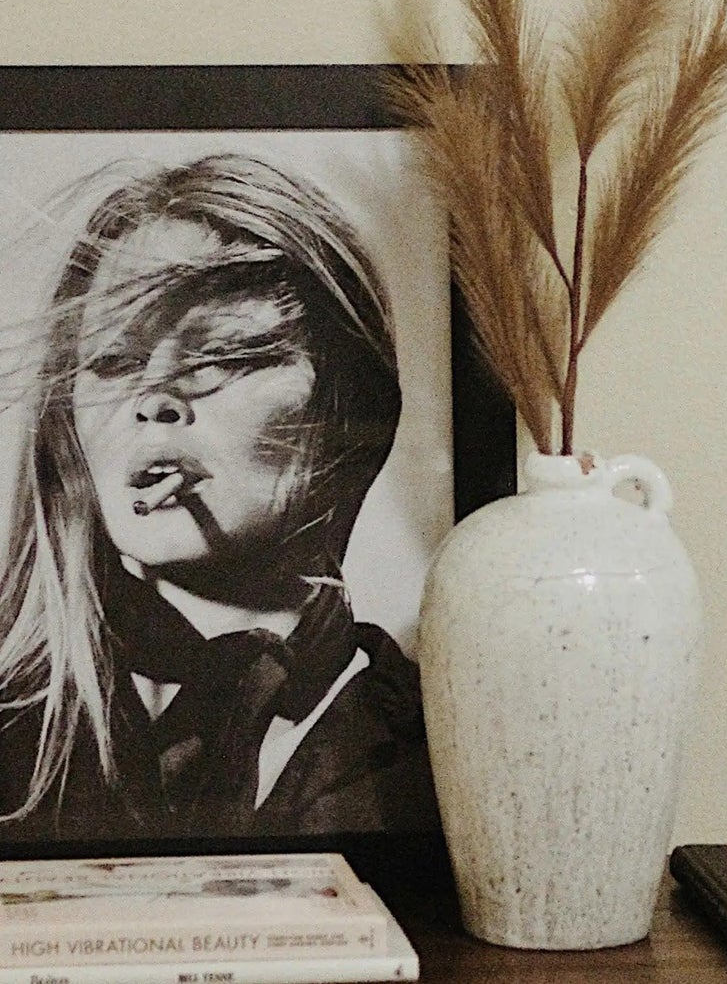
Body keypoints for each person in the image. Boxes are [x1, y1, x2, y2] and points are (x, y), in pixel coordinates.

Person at [0, 153, 439, 840]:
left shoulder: (438, 741)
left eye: (224, 356)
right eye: (114, 361)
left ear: (348, 411)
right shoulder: (15, 729)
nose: (154, 397)